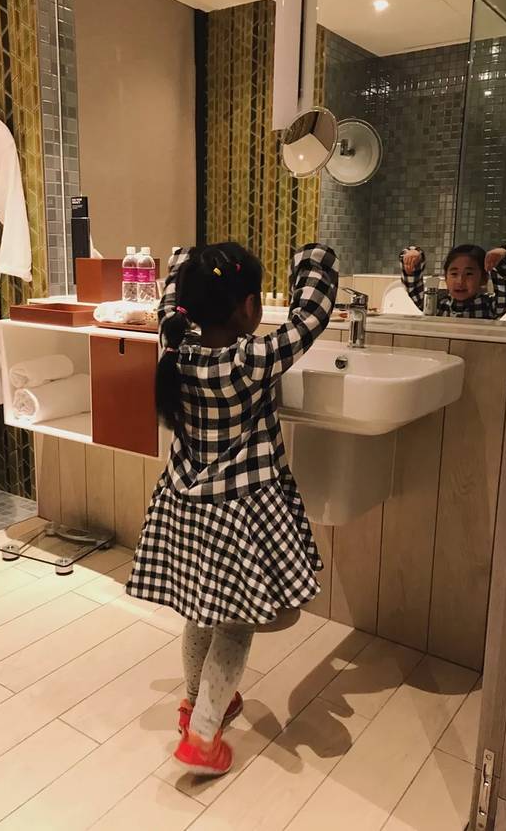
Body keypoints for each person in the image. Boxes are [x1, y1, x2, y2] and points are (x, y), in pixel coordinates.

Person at [125, 241, 339, 776]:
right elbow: (309, 318)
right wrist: (312, 259)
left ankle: (194, 702)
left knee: (201, 610)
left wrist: (183, 262)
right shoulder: (250, 361)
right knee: (236, 625)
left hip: (184, 508)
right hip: (238, 517)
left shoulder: (174, 345)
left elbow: (169, 302)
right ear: (247, 307)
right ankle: (202, 738)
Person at [400, 243, 506, 319]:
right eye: (454, 274)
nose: (460, 281)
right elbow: (413, 287)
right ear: (446, 277)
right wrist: (413, 257)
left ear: (484, 278)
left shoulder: (490, 307)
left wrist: (504, 258)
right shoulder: (436, 304)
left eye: (469, 274)